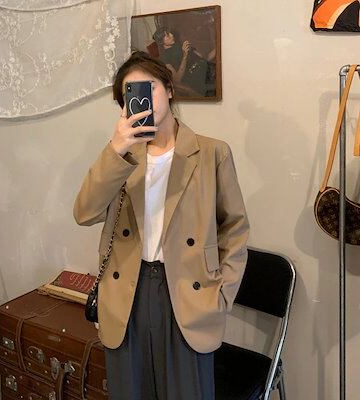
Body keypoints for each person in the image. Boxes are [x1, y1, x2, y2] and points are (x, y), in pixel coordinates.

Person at [73, 51, 250, 400]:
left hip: (188, 291)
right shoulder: (122, 158)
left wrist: (222, 295)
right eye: (131, 93)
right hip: (129, 289)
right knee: (130, 391)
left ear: (169, 89)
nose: (143, 98)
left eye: (149, 86)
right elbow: (85, 213)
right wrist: (117, 149)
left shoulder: (212, 152)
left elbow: (235, 228)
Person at [152, 26, 216, 97]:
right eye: (167, 35)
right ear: (161, 42)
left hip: (208, 69)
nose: (172, 35)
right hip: (199, 79)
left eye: (170, 33)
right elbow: (177, 79)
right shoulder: (164, 58)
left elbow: (204, 58)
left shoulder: (180, 45)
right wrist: (185, 56)